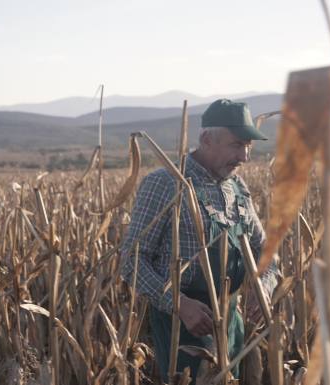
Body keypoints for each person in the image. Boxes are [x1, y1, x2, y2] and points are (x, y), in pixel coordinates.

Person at [120, 99, 278, 383]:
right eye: (236, 145)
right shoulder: (165, 183)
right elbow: (131, 261)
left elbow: (265, 250)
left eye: (248, 146)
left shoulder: (236, 187)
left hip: (230, 322)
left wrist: (262, 285)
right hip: (181, 327)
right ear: (206, 139)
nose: (244, 157)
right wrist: (179, 303)